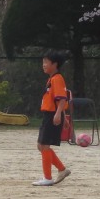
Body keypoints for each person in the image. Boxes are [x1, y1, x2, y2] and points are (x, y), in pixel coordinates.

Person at [33, 50, 70, 187]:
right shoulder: (51, 79)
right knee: (41, 145)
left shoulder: (57, 79)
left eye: (46, 62)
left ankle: (48, 178)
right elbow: (57, 100)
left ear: (54, 64)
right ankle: (62, 169)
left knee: (44, 145)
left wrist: (59, 114)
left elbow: (62, 99)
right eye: (43, 62)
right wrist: (64, 117)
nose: (43, 64)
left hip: (52, 115)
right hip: (48, 115)